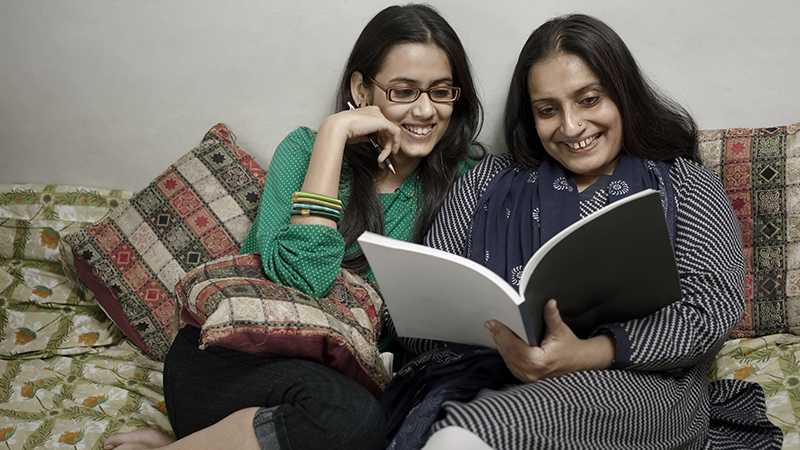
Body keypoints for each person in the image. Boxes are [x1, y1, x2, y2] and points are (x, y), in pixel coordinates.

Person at [380, 13, 783, 450]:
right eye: (547, 110)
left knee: (473, 428)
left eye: (589, 100)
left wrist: (587, 354)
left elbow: (709, 313)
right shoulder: (485, 181)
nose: (571, 127)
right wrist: (500, 335)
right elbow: (414, 323)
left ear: (622, 96)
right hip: (483, 374)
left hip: (636, 388)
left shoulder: (685, 185)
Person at [103, 4, 484, 450]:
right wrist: (333, 137)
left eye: (441, 91)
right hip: (232, 355)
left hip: (334, 374)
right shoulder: (306, 150)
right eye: (403, 91)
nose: (425, 110)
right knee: (346, 419)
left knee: (358, 419)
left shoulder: (465, 180)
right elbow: (297, 278)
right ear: (362, 89)